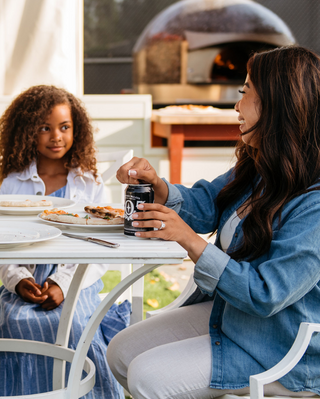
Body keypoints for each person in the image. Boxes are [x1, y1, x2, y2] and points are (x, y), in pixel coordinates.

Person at [107, 45, 320, 399]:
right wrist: (157, 186)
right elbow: (207, 202)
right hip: (234, 316)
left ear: (278, 103)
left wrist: (191, 241)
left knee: (147, 377)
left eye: (245, 92)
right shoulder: (260, 167)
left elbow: (266, 294)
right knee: (119, 352)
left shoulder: (314, 201)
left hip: (280, 346)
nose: (236, 105)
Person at [0, 85, 130, 398]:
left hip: (77, 279)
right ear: (26, 131)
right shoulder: (11, 182)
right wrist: (17, 279)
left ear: (77, 130)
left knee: (70, 323)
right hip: (23, 281)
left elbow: (99, 249)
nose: (55, 136)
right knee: (13, 320)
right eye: (44, 128)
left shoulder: (89, 183)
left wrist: (62, 283)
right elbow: (3, 245)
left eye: (64, 127)